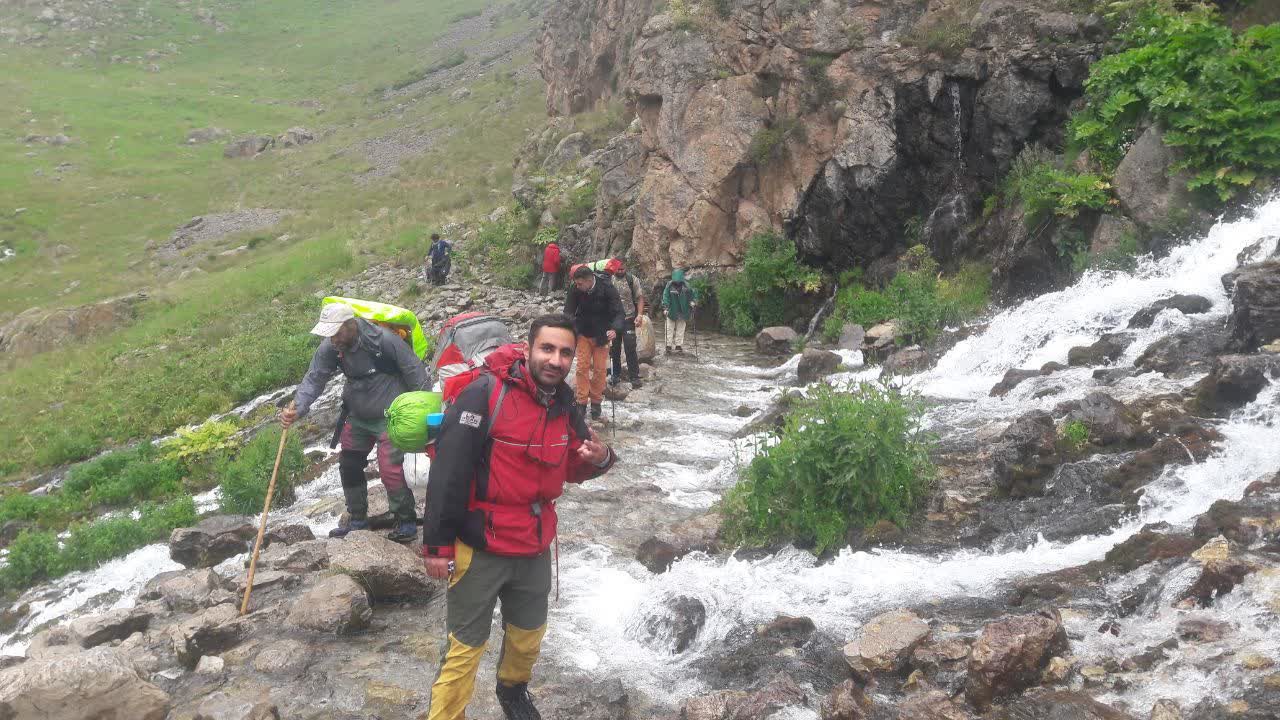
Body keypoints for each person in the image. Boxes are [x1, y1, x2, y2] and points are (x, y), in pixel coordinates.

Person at [421, 314, 617, 720]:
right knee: (464, 646)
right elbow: (448, 472)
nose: (556, 360)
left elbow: (574, 462)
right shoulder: (483, 395)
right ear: (527, 350)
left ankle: (512, 691)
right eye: (547, 349)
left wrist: (601, 458)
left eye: (565, 353)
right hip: (480, 543)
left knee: (528, 635)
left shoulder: (564, 404)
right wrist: (437, 546)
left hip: (534, 543)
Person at [280, 303, 430, 543]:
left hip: (391, 415)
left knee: (390, 468)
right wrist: (297, 408)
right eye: (329, 334)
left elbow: (416, 373)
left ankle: (406, 521)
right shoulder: (332, 346)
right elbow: (315, 378)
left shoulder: (384, 340)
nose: (333, 339)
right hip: (358, 415)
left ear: (351, 324)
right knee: (348, 464)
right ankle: (358, 520)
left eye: (336, 332)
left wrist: (423, 414)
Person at [564, 264, 623, 420]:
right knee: (582, 367)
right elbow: (568, 311)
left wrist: (615, 329)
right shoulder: (575, 288)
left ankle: (596, 402)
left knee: (600, 370)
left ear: (589, 281)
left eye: (580, 284)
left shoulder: (607, 288)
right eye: (576, 284)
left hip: (602, 335)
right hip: (583, 332)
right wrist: (571, 329)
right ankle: (581, 402)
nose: (577, 286)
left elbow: (618, 312)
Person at [602, 260, 646, 387]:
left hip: (629, 318)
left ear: (626, 268)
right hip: (613, 320)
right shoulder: (609, 280)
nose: (620, 271)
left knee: (630, 347)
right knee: (614, 348)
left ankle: (634, 376)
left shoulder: (632, 280)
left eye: (622, 269)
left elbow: (639, 298)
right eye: (618, 269)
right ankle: (615, 375)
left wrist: (640, 315)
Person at [662, 269, 698, 355]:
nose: (677, 283)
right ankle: (668, 346)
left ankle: (678, 346)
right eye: (675, 281)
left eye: (679, 281)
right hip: (671, 310)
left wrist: (693, 302)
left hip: (683, 311)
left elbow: (693, 295)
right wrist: (665, 308)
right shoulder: (669, 285)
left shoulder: (687, 286)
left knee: (681, 329)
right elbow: (666, 296)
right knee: (669, 328)